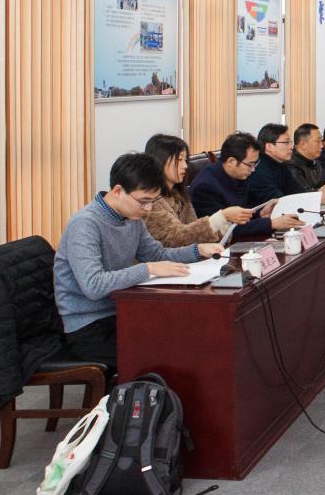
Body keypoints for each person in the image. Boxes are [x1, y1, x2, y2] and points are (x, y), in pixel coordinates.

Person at [53, 153, 221, 371]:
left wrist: (197, 251)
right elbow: (93, 285)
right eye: (144, 201)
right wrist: (147, 269)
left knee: (186, 334)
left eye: (153, 201)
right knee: (164, 355)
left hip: (123, 310)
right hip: (89, 326)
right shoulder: (85, 224)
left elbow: (157, 255)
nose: (148, 209)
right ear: (118, 191)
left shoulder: (131, 217)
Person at [143, 134, 252, 247]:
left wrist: (223, 230)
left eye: (185, 160)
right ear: (160, 161)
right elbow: (176, 238)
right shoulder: (149, 201)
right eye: (179, 160)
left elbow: (195, 233)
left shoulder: (179, 195)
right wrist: (222, 216)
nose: (185, 166)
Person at [191, 132, 303, 238]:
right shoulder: (205, 186)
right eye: (250, 164)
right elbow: (223, 230)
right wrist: (271, 223)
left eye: (255, 164)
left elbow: (243, 211)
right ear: (231, 162)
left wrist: (260, 214)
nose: (253, 169)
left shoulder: (240, 174)